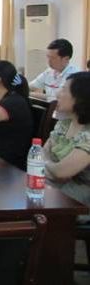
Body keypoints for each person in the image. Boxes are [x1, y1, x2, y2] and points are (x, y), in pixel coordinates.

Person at [43, 72, 90, 208]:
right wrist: (51, 167)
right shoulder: (64, 123)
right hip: (54, 187)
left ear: (80, 98)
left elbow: (62, 172)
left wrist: (46, 166)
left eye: (64, 89)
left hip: (80, 199)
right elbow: (41, 153)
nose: (58, 94)